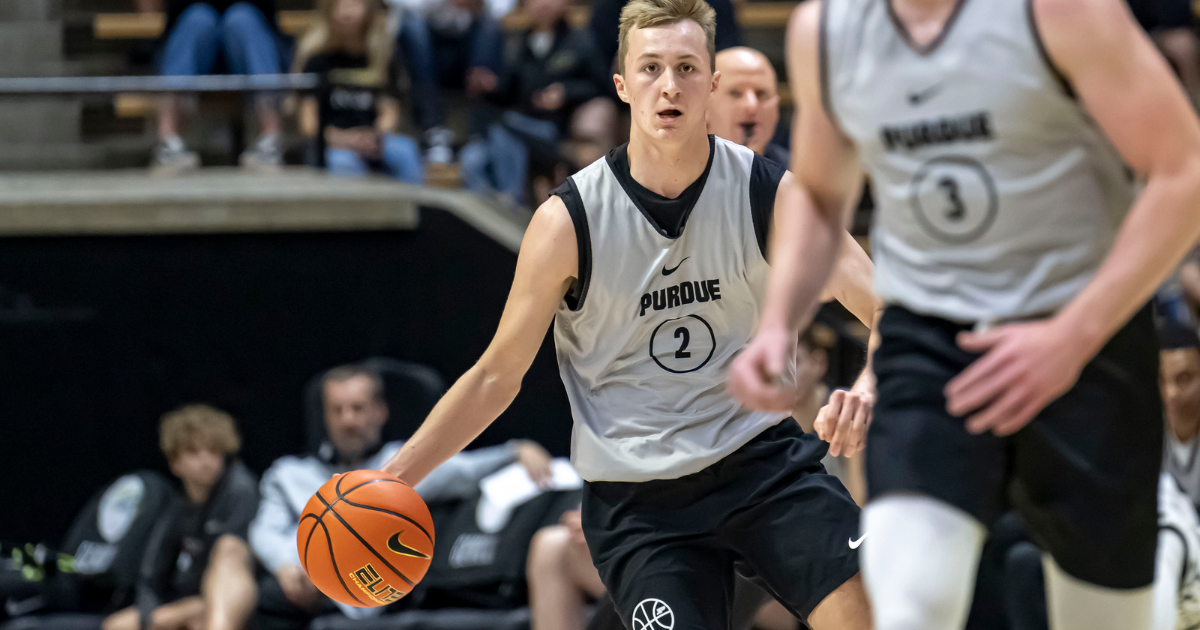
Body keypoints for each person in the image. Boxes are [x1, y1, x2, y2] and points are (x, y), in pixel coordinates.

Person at [379, 0, 884, 626]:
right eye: (649, 68)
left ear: (711, 83)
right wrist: (395, 479)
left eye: (686, 67)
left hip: (763, 464)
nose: (669, 86)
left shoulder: (771, 194)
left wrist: (867, 382)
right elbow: (494, 377)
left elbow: (889, 308)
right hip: (639, 502)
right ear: (621, 85)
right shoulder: (568, 221)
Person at [729, 0, 1200, 629]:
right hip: (931, 339)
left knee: (1106, 619)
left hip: (1083, 336)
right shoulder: (828, 30)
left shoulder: (1061, 12)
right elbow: (818, 196)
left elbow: (1185, 169)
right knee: (912, 606)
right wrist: (779, 320)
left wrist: (1074, 336)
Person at [249, 363, 552, 630]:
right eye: (337, 410)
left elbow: (465, 470)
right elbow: (264, 529)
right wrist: (285, 564)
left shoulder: (401, 463)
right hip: (301, 583)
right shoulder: (287, 473)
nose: (348, 421)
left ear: (379, 412)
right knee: (260, 593)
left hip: (371, 583)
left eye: (357, 408)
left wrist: (515, 449)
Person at [101, 405, 259, 630]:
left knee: (227, 549)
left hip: (232, 602)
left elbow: (234, 561)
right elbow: (151, 574)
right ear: (175, 463)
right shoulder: (178, 505)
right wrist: (150, 615)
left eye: (214, 450)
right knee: (116, 625)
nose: (205, 460)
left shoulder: (241, 490)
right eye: (194, 452)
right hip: (184, 601)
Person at [460, 0, 617, 205]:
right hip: (519, 124)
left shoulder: (580, 41)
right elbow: (510, 92)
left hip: (551, 129)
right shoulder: (521, 44)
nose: (543, 4)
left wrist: (565, 93)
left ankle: (510, 204)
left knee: (503, 126)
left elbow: (600, 86)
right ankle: (485, 221)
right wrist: (490, 88)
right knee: (472, 158)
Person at [294, 0, 424, 183]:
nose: (346, 12)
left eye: (353, 5)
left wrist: (372, 138)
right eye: (339, 5)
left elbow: (389, 113)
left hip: (372, 140)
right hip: (333, 142)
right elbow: (308, 125)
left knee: (406, 151)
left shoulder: (383, 58)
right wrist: (345, 140)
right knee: (343, 161)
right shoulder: (316, 62)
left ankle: (414, 210)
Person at [151, 0, 286, 172]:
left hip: (246, 38)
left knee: (243, 19)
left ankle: (270, 142)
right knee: (197, 19)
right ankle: (167, 144)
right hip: (196, 40)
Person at [706, 46, 788, 164]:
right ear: (703, 106)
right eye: (736, 93)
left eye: (761, 94)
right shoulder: (674, 176)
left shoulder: (799, 177)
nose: (751, 105)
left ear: (776, 108)